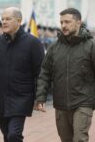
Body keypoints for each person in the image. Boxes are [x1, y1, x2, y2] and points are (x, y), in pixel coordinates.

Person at [0, 7, 45, 142]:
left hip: (21, 97)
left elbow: (40, 73)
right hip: (0, 97)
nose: (4, 22)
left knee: (14, 135)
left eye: (8, 19)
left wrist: (40, 97)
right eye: (2, 19)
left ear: (19, 21)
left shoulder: (33, 43)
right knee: (7, 136)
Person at [35, 8, 95, 142]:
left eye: (67, 22)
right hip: (61, 104)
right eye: (61, 22)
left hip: (83, 102)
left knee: (79, 138)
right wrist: (41, 97)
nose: (63, 25)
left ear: (78, 22)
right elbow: (45, 73)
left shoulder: (91, 46)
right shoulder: (54, 47)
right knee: (66, 139)